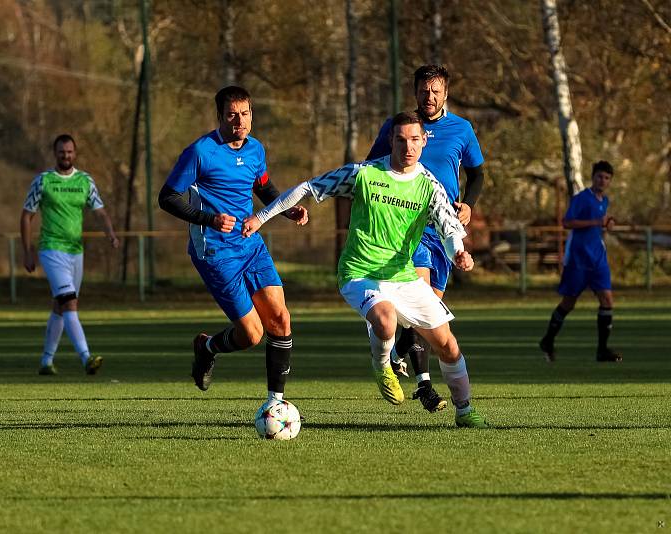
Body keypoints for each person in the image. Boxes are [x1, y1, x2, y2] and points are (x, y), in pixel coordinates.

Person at [243, 111, 489, 428]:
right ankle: (382, 363)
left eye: (415, 139)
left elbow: (449, 227)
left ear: (424, 141)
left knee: (448, 345)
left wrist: (459, 253)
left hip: (403, 276)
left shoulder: (430, 186)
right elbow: (308, 187)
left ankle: (465, 411)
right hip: (360, 273)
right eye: (401, 140)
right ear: (391, 140)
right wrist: (261, 217)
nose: (408, 147)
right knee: (385, 320)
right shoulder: (364, 174)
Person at [158, 85, 308, 404]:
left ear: (252, 115)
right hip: (215, 252)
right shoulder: (201, 152)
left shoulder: (255, 150)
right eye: (232, 114)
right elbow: (167, 197)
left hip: (250, 244)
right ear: (220, 117)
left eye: (245, 113)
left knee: (281, 319)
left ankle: (275, 404)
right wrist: (207, 219)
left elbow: (263, 188)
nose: (239, 120)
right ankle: (207, 348)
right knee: (252, 334)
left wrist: (287, 209)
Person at [366, 65, 485, 413]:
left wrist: (468, 206)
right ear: (415, 92)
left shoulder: (461, 129)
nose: (429, 97)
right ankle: (424, 385)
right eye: (423, 90)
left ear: (445, 93)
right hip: (407, 229)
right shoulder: (398, 127)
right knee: (420, 303)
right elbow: (370, 167)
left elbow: (477, 173)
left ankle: (400, 356)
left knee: (427, 313)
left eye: (435, 91)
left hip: (442, 232)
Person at [21, 134, 120, 375]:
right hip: (51, 248)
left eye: (69, 152)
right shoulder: (43, 181)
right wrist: (27, 251)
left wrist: (110, 233)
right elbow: (26, 216)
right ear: (55, 154)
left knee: (60, 306)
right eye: (61, 152)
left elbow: (100, 211)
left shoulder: (85, 181)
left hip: (76, 252)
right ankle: (86, 358)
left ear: (75, 153)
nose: (66, 156)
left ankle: (46, 361)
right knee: (69, 302)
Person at [539, 161, 622, 363]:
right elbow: (567, 222)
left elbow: (598, 225)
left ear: (610, 181)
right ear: (593, 177)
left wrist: (607, 224)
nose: (602, 181)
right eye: (599, 176)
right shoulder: (581, 198)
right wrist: (596, 222)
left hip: (598, 258)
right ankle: (547, 340)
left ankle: (602, 350)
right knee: (569, 303)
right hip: (578, 258)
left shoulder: (605, 201)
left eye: (607, 178)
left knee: (607, 300)